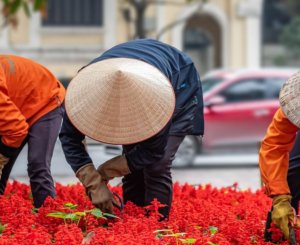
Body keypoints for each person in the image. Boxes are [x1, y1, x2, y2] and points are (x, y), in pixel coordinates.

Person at [59, 39, 204, 218]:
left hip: (179, 81)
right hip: (139, 68)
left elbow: (153, 152)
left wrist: (106, 171)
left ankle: (156, 229)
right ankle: (131, 223)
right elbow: (69, 138)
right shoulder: (80, 94)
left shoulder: (156, 98)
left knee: (157, 166)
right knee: (134, 165)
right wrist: (94, 183)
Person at [0, 55, 65, 208]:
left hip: (46, 102)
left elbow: (16, 129)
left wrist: (2, 158)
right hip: (16, 106)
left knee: (37, 164)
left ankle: (48, 218)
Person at [259, 71, 300, 240]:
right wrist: (280, 197)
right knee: (293, 172)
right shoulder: (294, 105)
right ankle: (279, 235)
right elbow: (274, 147)